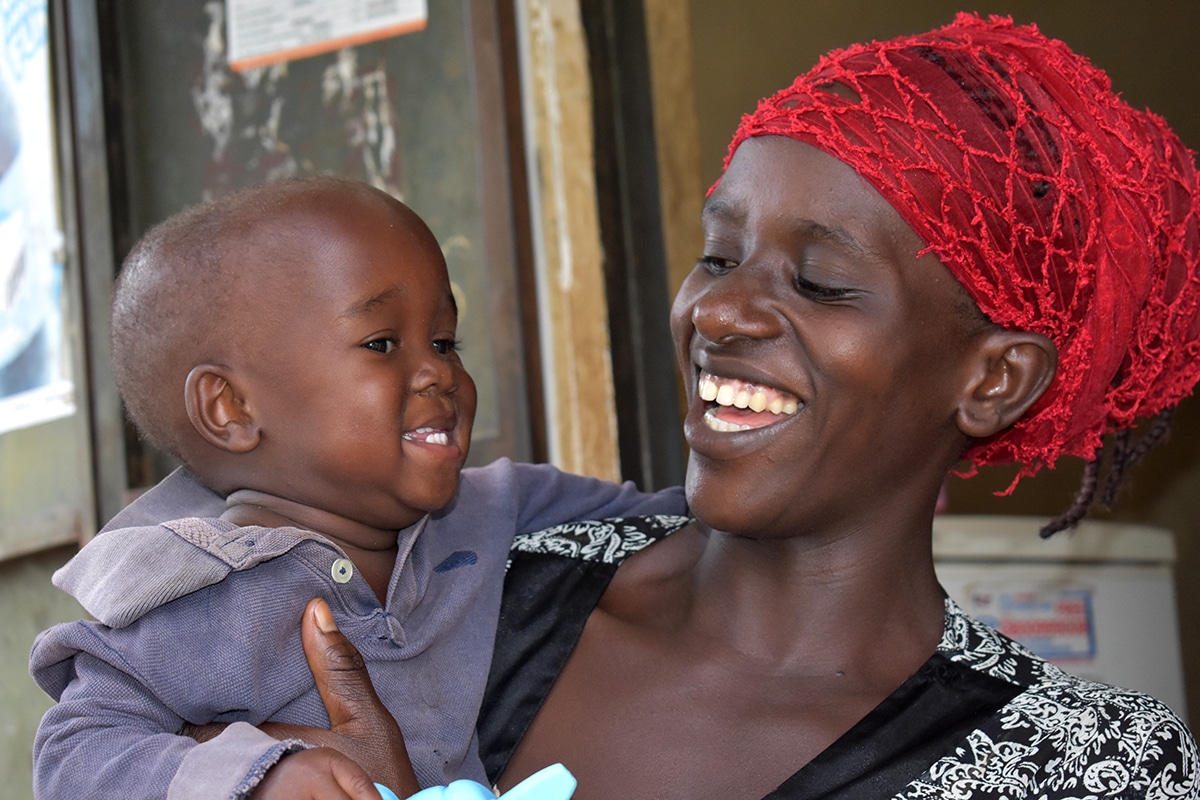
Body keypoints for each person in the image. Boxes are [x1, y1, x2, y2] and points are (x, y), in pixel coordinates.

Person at [290, 14, 1200, 799]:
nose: (718, 311)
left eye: (820, 282)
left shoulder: (1082, 771)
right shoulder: (470, 589)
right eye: (719, 257)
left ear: (993, 381)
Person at [28, 176, 685, 800]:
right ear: (231, 408)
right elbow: (74, 753)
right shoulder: (204, 594)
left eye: (444, 340)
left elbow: (686, 527)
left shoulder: (493, 507)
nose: (438, 373)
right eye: (381, 343)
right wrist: (257, 778)